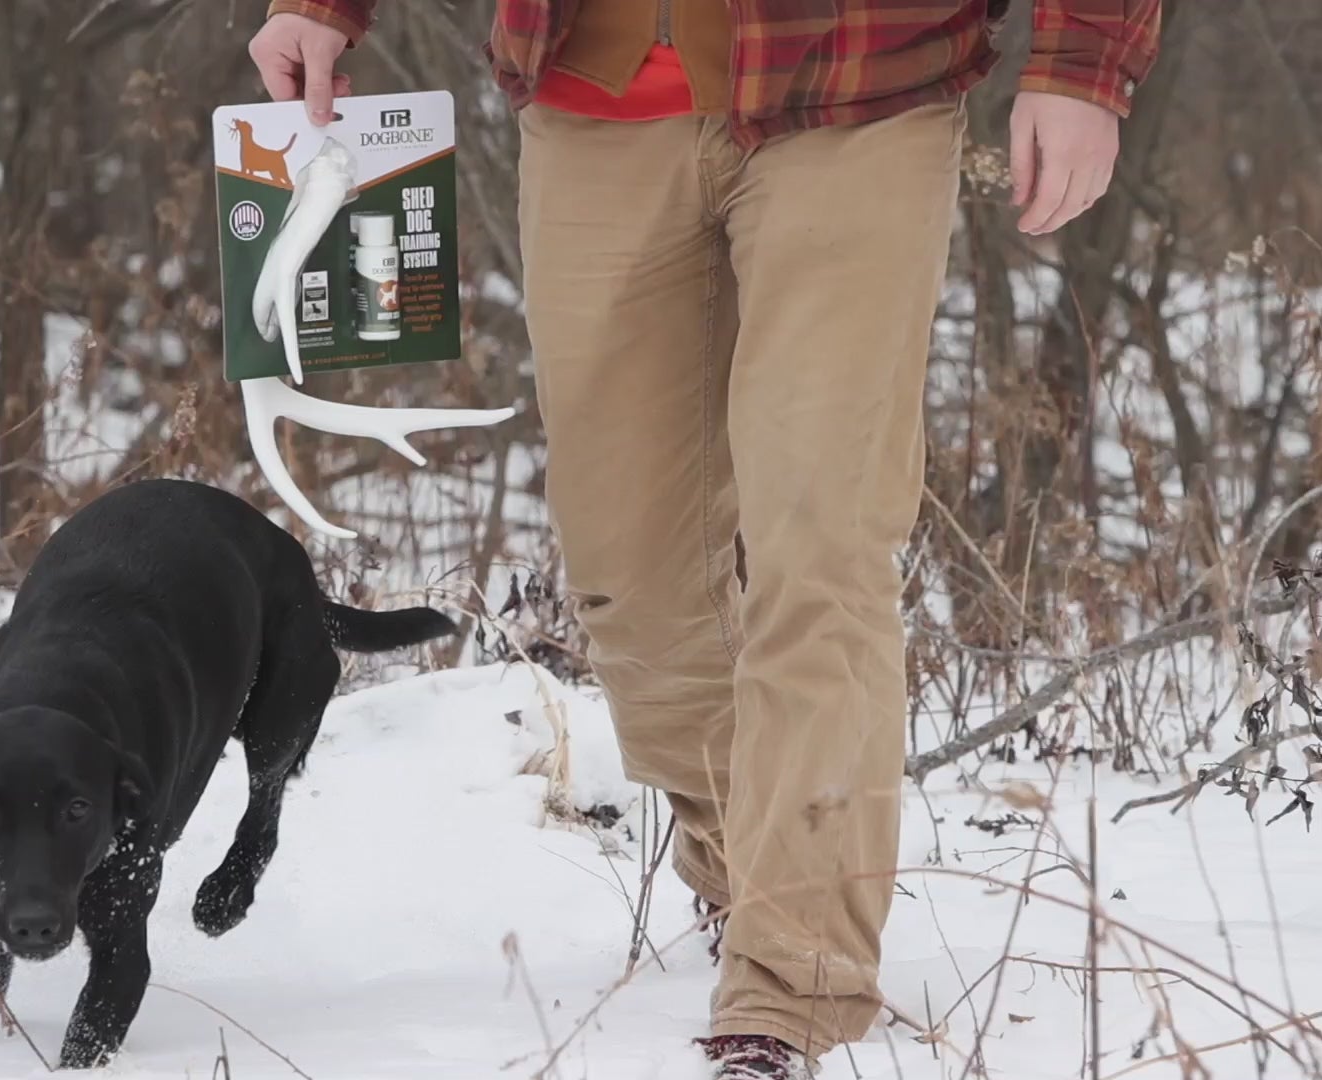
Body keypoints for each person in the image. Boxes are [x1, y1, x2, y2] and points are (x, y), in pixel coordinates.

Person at [249, 2, 1160, 1077]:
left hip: (858, 90)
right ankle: (754, 869)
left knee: (821, 549)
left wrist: (1080, 60)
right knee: (627, 577)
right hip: (594, 99)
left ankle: (793, 977)